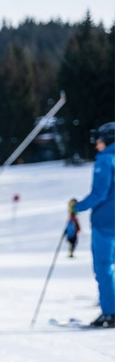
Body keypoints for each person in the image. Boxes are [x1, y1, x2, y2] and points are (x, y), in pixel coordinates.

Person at [71, 121, 114, 327]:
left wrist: (77, 207)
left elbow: (100, 193)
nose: (96, 143)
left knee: (104, 266)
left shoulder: (106, 160)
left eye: (99, 139)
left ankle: (110, 312)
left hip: (107, 222)